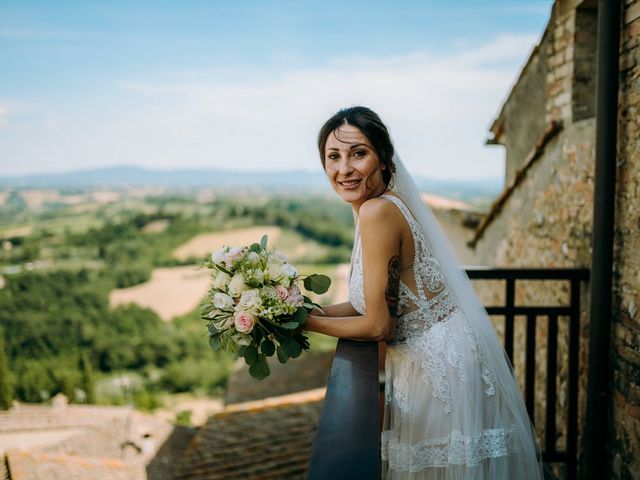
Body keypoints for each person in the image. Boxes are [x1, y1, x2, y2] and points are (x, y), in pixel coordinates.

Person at [303, 106, 544, 479]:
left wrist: (305, 324)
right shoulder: (374, 206)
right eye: (333, 156)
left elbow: (378, 325)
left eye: (358, 153)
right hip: (436, 359)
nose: (344, 168)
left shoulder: (377, 212)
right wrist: (300, 309)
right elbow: (366, 300)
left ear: (383, 159)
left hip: (437, 369)